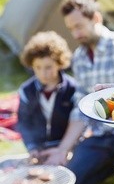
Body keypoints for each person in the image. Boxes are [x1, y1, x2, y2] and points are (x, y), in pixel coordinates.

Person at [40, 0, 114, 184]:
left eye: (79, 26)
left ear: (96, 19)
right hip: (101, 135)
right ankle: (110, 166)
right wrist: (63, 149)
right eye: (71, 29)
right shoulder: (80, 58)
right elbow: (80, 108)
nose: (75, 34)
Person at [17, 31, 78, 162]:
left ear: (59, 63)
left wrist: (68, 148)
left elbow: (79, 122)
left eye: (48, 67)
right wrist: (32, 147)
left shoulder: (73, 89)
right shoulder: (26, 91)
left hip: (66, 146)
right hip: (40, 147)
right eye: (37, 67)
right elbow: (24, 122)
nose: (43, 73)